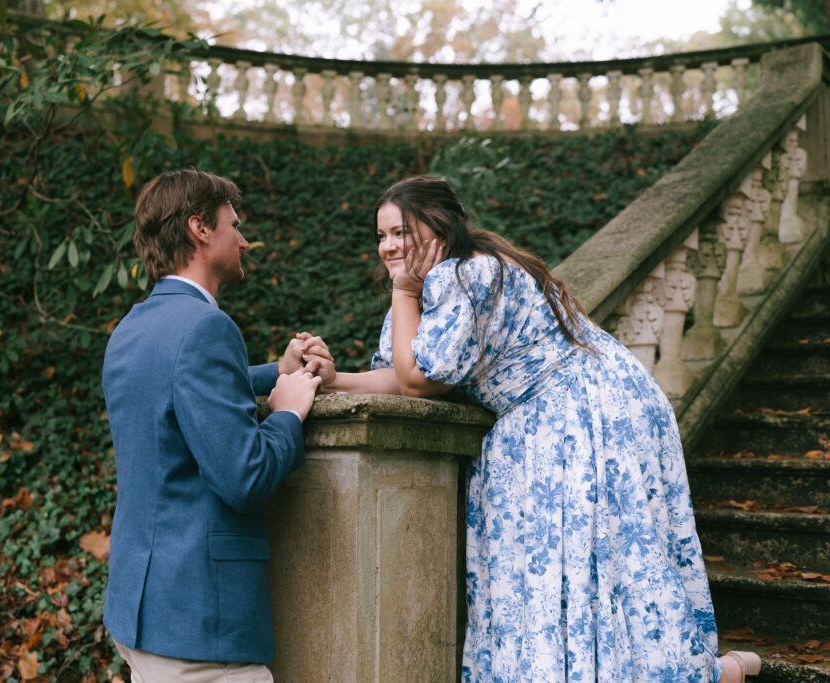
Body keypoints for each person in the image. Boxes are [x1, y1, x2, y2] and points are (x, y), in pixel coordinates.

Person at [320, 176, 761, 682]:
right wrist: (336, 380)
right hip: (563, 416)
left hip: (579, 416)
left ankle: (709, 671)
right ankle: (719, 670)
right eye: (381, 236)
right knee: (569, 575)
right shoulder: (440, 284)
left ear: (438, 226)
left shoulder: (468, 275)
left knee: (600, 568)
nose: (389, 246)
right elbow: (404, 371)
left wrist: (401, 290)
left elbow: (421, 379)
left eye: (402, 231)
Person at [101, 168, 331, 682]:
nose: (245, 240)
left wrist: (278, 371)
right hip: (198, 624)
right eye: (234, 225)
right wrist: (289, 412)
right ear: (199, 228)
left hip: (139, 610)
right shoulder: (207, 326)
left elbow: (178, 386)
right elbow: (244, 477)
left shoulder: (133, 327)